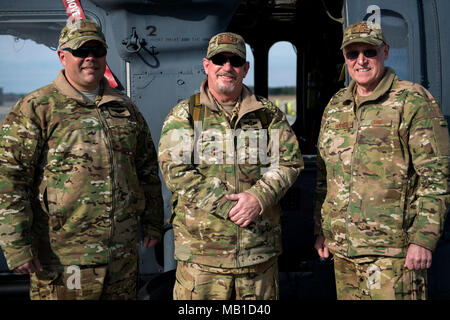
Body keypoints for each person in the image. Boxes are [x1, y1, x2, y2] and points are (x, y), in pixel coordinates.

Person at [0, 19, 164, 300]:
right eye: (80, 51)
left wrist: (152, 222)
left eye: (97, 50)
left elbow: (146, 169)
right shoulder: (36, 108)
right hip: (62, 258)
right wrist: (16, 245)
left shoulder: (125, 109)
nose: (90, 58)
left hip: (120, 257)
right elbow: (10, 180)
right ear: (63, 56)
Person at [158, 32, 303, 300]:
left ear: (245, 68)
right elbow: (175, 171)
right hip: (202, 261)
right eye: (219, 59)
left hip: (257, 256)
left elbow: (289, 161)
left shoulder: (267, 115)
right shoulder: (186, 114)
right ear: (207, 65)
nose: (227, 67)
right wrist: (230, 207)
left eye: (235, 61)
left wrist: (258, 198)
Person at [313, 21, 450, 300]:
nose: (361, 60)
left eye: (369, 52)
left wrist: (424, 239)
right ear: (345, 57)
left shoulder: (412, 101)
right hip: (344, 252)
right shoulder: (337, 105)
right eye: (353, 54)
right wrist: (321, 230)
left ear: (385, 51)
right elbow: (323, 176)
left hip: (393, 255)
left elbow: (435, 175)